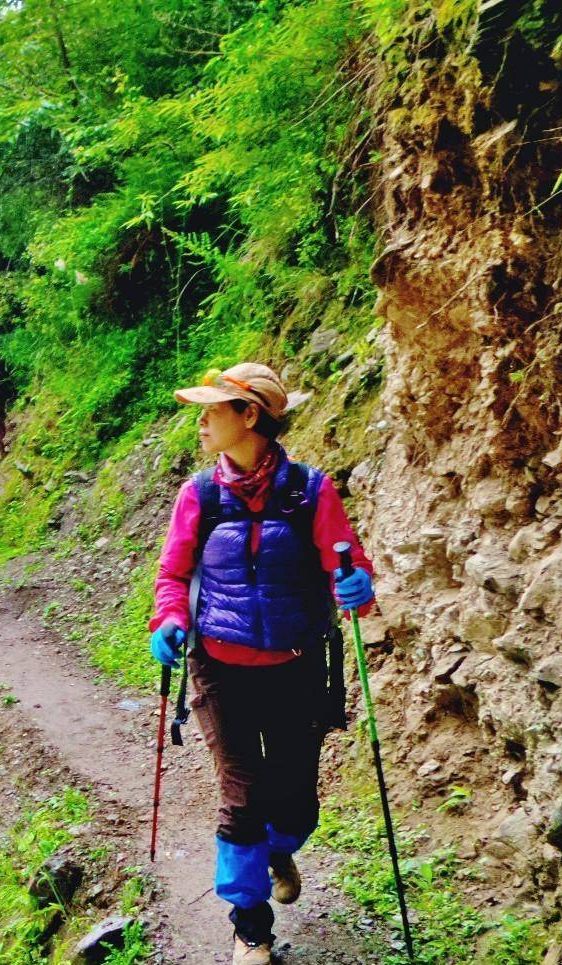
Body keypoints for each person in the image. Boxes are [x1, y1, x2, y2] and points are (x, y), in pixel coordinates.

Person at [146, 362, 376, 965]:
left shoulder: (309, 490)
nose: (200, 423)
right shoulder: (198, 493)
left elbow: (350, 569)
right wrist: (168, 620)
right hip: (218, 668)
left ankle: (280, 847)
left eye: (212, 410)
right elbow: (173, 573)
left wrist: (356, 588)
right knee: (243, 796)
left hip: (296, 665)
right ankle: (251, 928)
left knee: (297, 803)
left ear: (249, 416)